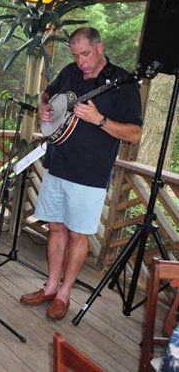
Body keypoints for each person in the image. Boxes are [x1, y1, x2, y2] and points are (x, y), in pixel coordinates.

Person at [20, 27, 143, 321]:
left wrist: (100, 120)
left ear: (99, 48)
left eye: (85, 53)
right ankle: (50, 286)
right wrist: (44, 108)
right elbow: (47, 93)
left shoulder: (122, 82)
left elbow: (135, 134)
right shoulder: (71, 72)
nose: (81, 61)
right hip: (57, 164)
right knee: (56, 228)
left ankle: (64, 294)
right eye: (76, 55)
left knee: (77, 234)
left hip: (90, 174)